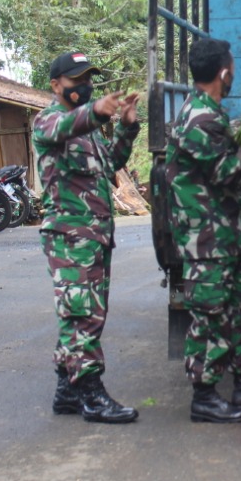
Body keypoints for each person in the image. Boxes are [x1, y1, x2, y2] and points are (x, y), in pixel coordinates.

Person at [33, 50, 142, 424]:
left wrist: (126, 126)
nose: (84, 86)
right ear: (56, 85)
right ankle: (91, 395)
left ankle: (66, 390)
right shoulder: (48, 121)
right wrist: (95, 111)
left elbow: (111, 164)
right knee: (81, 315)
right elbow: (67, 127)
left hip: (94, 236)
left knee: (88, 313)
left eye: (87, 79)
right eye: (77, 81)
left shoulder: (89, 131)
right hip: (69, 236)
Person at [166, 38, 241, 423]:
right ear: (224, 72)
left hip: (228, 236)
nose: (234, 74)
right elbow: (225, 172)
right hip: (207, 240)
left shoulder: (211, 113)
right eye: (233, 68)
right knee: (211, 314)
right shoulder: (200, 118)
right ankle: (204, 396)